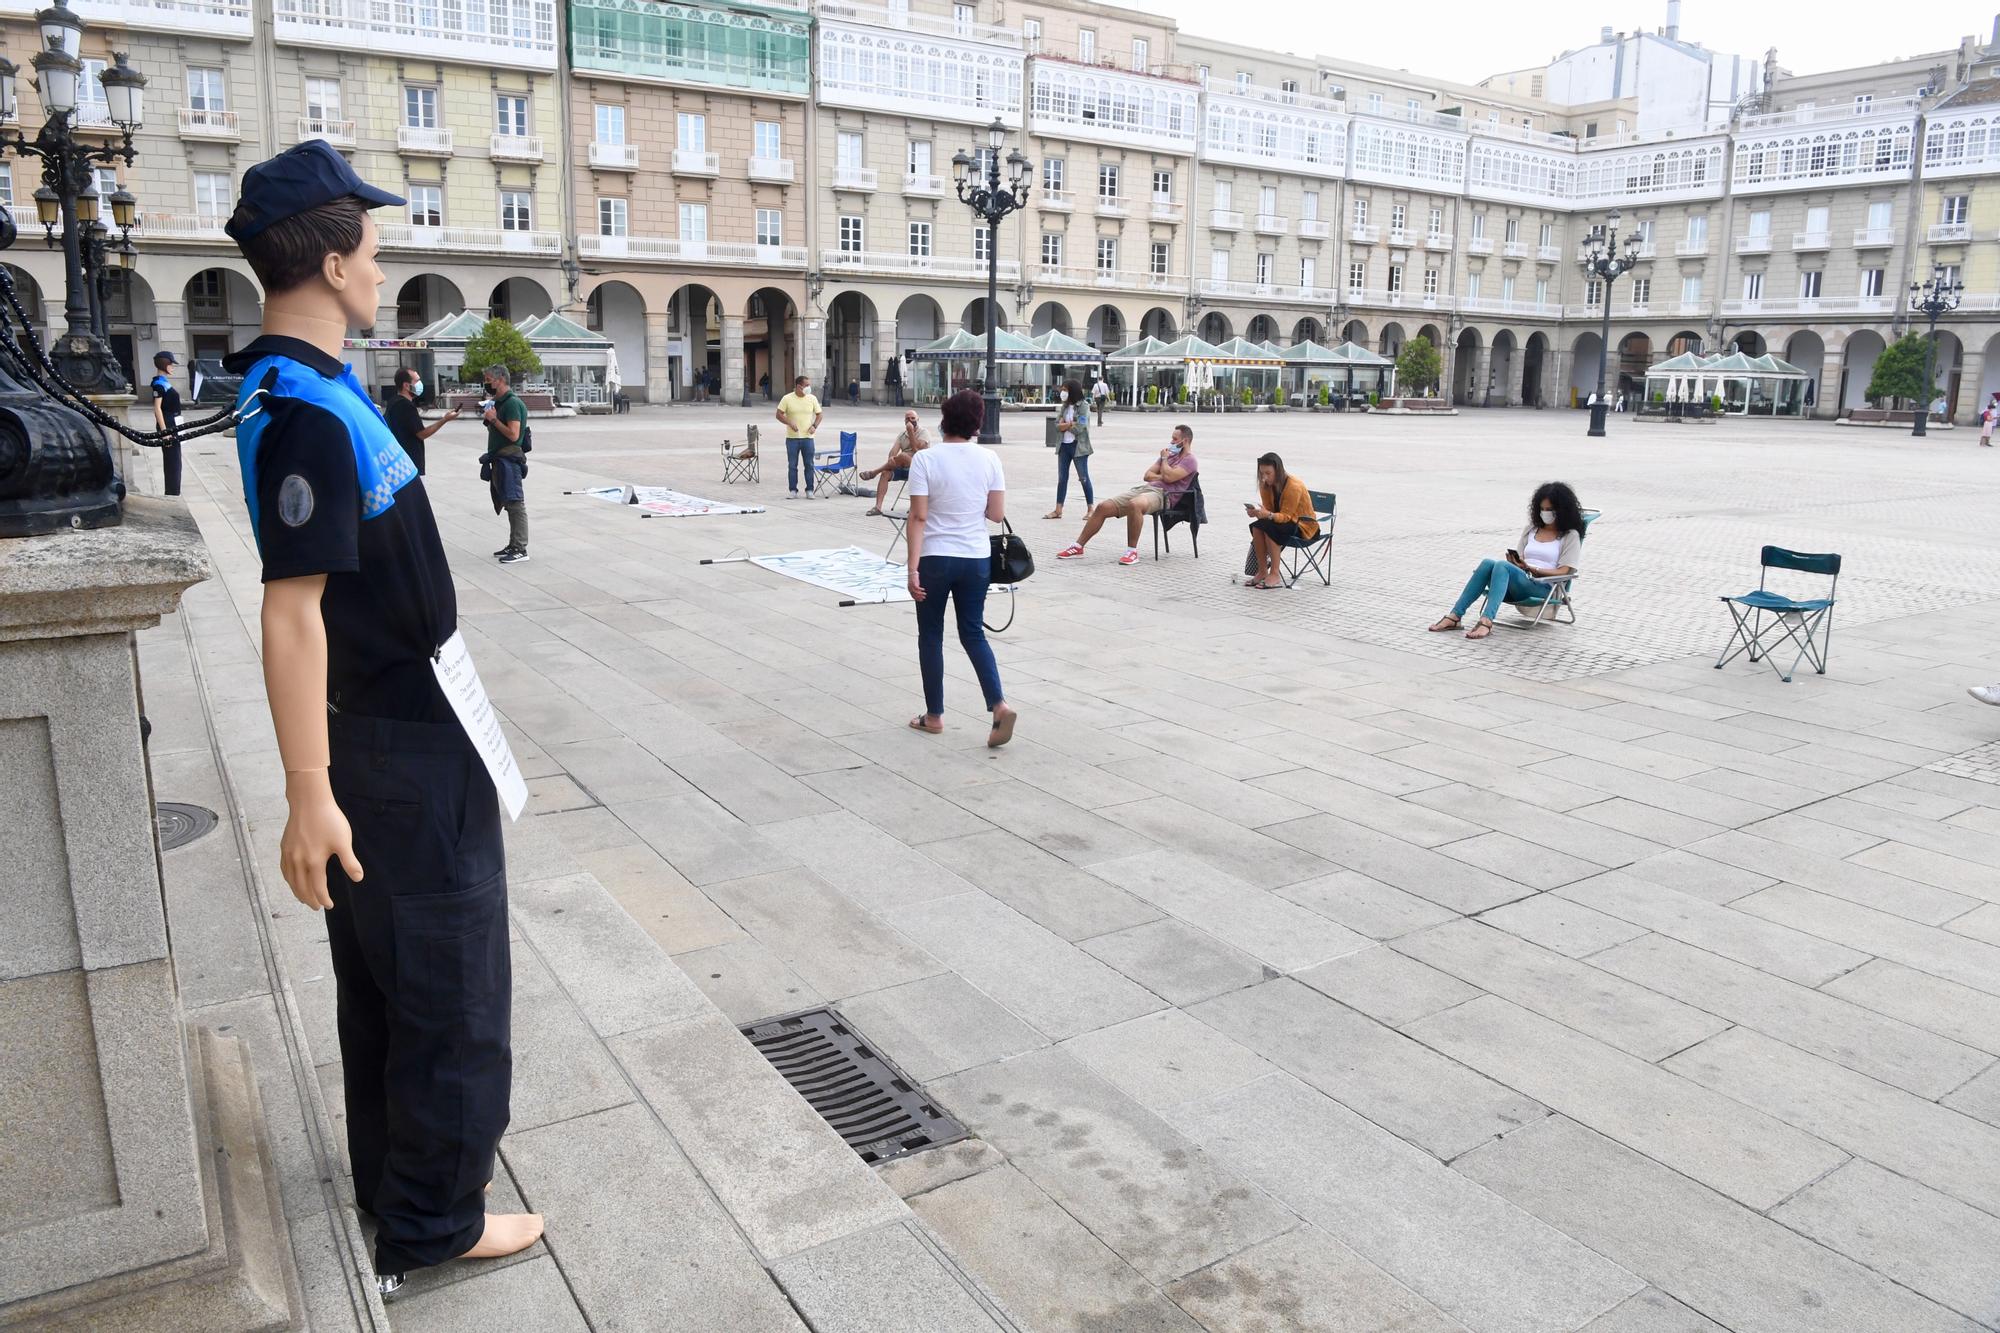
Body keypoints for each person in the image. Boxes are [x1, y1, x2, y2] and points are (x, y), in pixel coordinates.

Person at [220, 139, 540, 1298]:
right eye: (372, 242)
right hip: (399, 739)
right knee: (451, 985)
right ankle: (434, 1221)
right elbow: (291, 611)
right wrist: (307, 790)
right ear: (331, 256)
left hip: (397, 722)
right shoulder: (302, 402)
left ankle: (392, 1180)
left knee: (384, 976)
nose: (381, 260)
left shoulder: (303, 381)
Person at [906, 388, 1016, 747]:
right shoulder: (989, 459)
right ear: (977, 423)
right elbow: (996, 515)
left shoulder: (925, 460)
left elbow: (919, 517)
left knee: (931, 635)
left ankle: (934, 716)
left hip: (935, 557)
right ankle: (998, 704)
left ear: (944, 420)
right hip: (975, 558)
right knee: (973, 633)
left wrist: (911, 569)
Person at [1429, 482, 1585, 640]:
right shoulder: (1531, 529)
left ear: (1562, 510)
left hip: (1544, 586)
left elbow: (1564, 571)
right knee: (1488, 563)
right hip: (1521, 580)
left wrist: (1533, 569)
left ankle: (1486, 621)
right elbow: (1520, 558)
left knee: (1501, 566)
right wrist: (1517, 564)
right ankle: (1455, 616)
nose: (1545, 513)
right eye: (1542, 509)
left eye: (1550, 509)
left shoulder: (1570, 536)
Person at [1056, 423, 1198, 566]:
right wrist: (1163, 475)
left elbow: (1170, 478)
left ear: (1184, 441)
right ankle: (1078, 546)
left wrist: (1164, 461)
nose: (1171, 442)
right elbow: (1147, 475)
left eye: (1174, 439)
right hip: (1145, 489)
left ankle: (1132, 552)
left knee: (1135, 504)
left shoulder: (1189, 460)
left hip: (1164, 495)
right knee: (1103, 507)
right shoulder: (1170, 454)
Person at [1243, 451, 1318, 590]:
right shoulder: (1264, 485)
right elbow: (1269, 513)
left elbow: (1286, 517)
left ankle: (1275, 573)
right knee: (1258, 527)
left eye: (1268, 473)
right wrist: (1256, 513)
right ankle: (1262, 571)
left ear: (1278, 471)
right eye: (1261, 473)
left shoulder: (1293, 486)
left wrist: (1267, 515)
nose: (1264, 477)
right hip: (1282, 521)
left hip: (1303, 525)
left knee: (1270, 528)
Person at [480, 364, 529, 563]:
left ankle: (520, 548)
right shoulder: (499, 402)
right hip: (500, 458)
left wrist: (493, 420)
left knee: (515, 502)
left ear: (500, 380)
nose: (486, 383)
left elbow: (514, 434)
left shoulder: (512, 404)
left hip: (509, 458)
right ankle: (513, 544)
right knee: (508, 501)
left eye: (489, 379)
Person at [383, 366, 460, 477]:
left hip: (399, 462)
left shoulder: (393, 402)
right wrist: (445, 419)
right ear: (406, 385)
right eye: (417, 381)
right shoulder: (406, 406)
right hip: (410, 465)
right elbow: (422, 434)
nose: (420, 384)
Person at [860, 408, 928, 514]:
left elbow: (916, 450)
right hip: (902, 467)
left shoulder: (924, 433)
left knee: (904, 455)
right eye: (907, 419)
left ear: (918, 419)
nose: (910, 420)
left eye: (913, 418)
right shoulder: (902, 435)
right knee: (885, 473)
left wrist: (910, 432)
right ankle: (878, 507)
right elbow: (893, 451)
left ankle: (873, 472)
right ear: (904, 421)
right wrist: (891, 458)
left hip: (919, 469)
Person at [1045, 379, 1093, 520]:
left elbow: (1080, 427)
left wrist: (1064, 425)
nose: (1062, 392)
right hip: (1064, 446)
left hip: (1078, 447)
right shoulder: (1065, 406)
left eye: (1065, 389)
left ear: (1072, 391)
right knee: (1062, 479)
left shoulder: (1083, 406)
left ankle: (1091, 509)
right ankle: (1058, 509)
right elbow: (1056, 425)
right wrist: (1070, 423)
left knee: (1083, 478)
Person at [776, 372, 822, 499]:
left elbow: (819, 414)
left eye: (809, 385)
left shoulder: (812, 398)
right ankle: (793, 490)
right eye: (806, 385)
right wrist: (789, 422)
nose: (809, 387)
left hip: (808, 438)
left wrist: (814, 426)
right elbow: (779, 414)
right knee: (792, 465)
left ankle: (810, 490)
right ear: (798, 386)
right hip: (792, 438)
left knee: (809, 464)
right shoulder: (787, 398)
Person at [150, 350, 184, 496]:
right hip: (168, 424)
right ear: (164, 364)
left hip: (174, 422)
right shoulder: (159, 384)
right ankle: (172, 492)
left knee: (176, 460)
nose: (173, 368)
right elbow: (157, 409)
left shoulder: (164, 382)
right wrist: (164, 433)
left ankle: (174, 491)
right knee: (172, 462)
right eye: (171, 365)